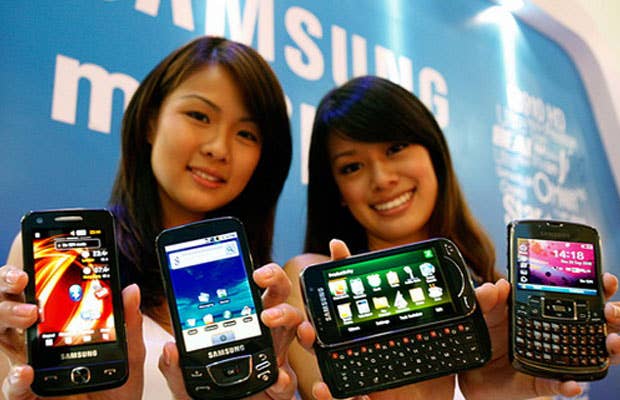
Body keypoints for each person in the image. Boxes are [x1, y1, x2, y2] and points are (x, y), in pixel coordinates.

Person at [0, 36, 305, 400]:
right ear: (149, 121)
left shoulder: (267, 297)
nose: (219, 148)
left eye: (246, 134)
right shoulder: (62, 256)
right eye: (199, 116)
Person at [285, 75, 620, 400]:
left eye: (396, 148)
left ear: (434, 153)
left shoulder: (496, 304)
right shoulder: (308, 282)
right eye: (351, 167)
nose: (382, 179)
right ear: (337, 190)